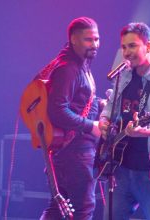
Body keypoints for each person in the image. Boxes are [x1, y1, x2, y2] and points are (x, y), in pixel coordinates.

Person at [98, 22, 150, 220]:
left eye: (132, 46)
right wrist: (104, 121)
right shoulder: (124, 75)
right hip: (120, 168)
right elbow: (110, 108)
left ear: (149, 46)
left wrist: (146, 131)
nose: (127, 52)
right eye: (124, 47)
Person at [37, 17, 101, 220]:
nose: (95, 44)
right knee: (83, 209)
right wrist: (91, 126)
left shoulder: (78, 64)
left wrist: (100, 104)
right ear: (73, 40)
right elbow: (57, 110)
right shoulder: (69, 68)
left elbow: (77, 101)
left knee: (57, 207)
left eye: (97, 39)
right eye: (88, 40)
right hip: (76, 152)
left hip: (66, 151)